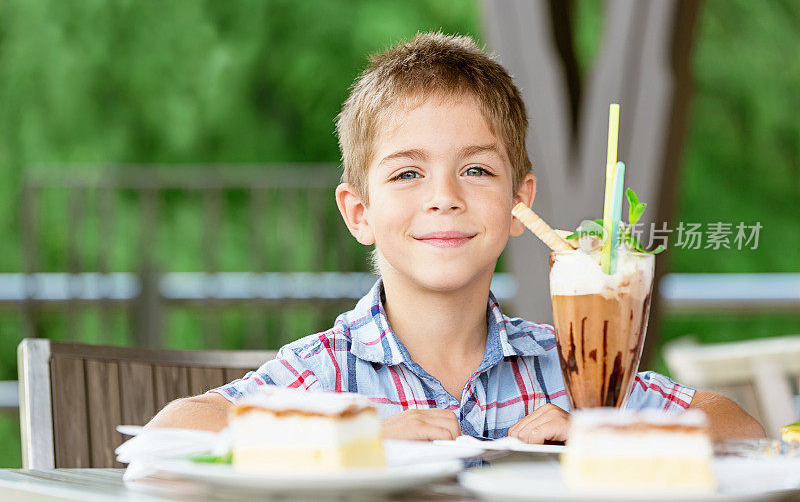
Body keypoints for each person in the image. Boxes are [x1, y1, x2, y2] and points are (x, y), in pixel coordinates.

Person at [146, 32, 764, 442]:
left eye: (475, 169)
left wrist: (606, 434)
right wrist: (356, 433)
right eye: (408, 173)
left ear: (520, 202)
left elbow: (738, 427)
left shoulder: (571, 368)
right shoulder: (324, 373)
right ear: (358, 211)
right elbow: (177, 427)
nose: (444, 196)